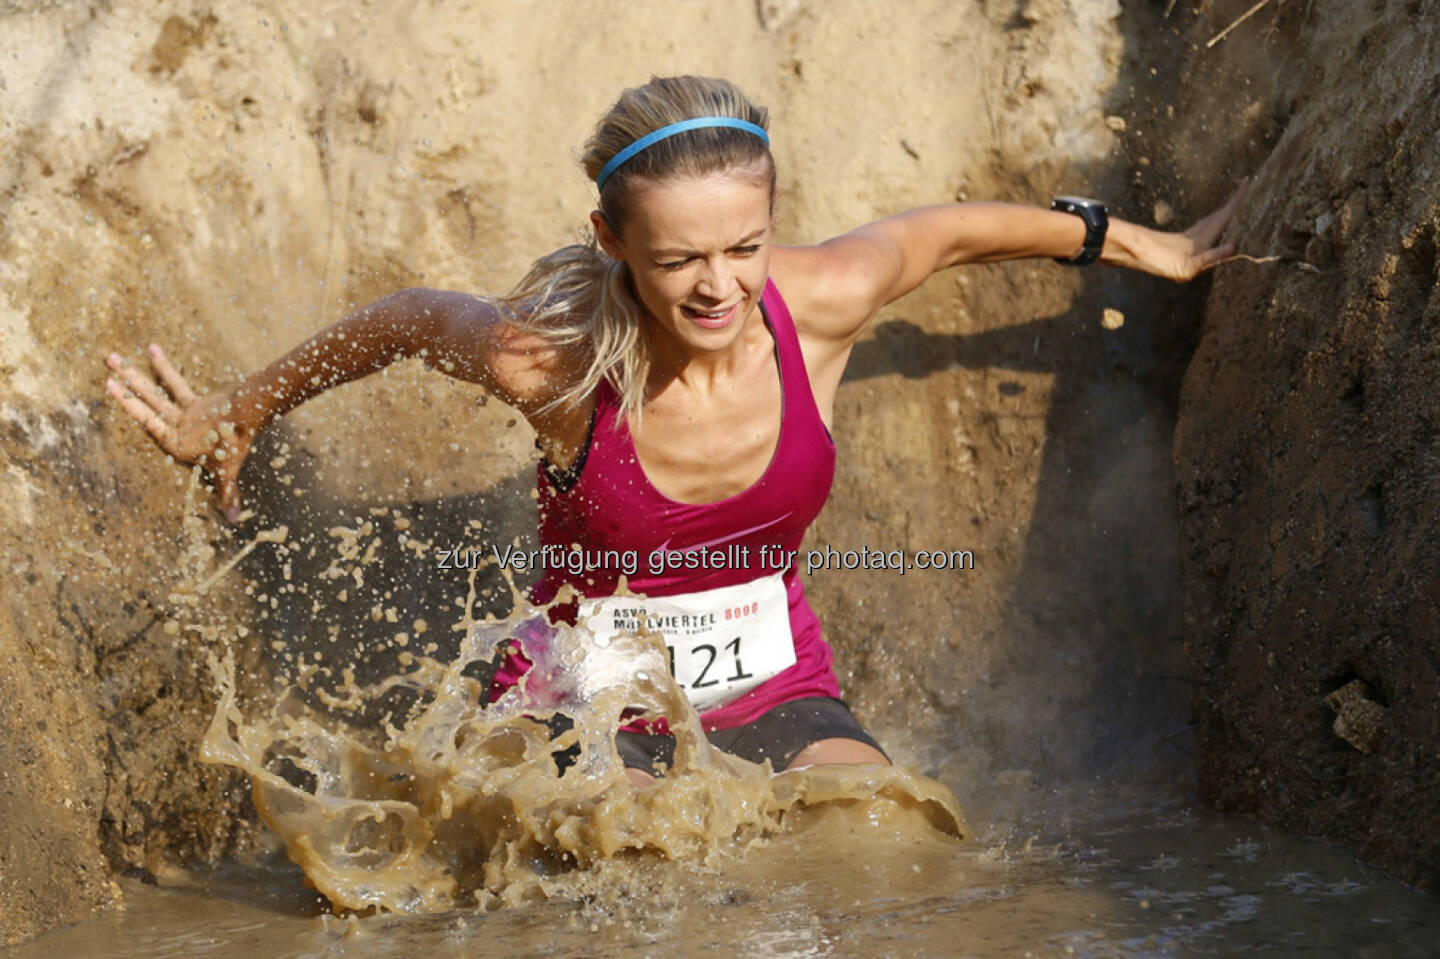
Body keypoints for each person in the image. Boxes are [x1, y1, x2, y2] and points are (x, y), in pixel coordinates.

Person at [105, 75, 1240, 786]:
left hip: (777, 682)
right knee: (647, 885)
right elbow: (404, 319)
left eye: (743, 247)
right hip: (583, 700)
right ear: (611, 240)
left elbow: (945, 235)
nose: (718, 287)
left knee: (884, 830)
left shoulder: (824, 297)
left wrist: (1158, 249)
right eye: (677, 258)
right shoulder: (546, 362)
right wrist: (235, 411)